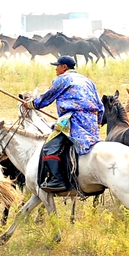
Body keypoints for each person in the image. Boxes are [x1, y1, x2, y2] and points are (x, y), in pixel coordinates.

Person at [22, 55, 104, 192]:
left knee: (49, 147)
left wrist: (30, 104)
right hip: (91, 123)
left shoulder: (62, 79)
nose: (56, 69)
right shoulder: (88, 81)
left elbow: (47, 97)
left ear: (64, 67)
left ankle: (57, 180)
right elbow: (100, 107)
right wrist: (97, 124)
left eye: (57, 66)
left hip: (73, 120)